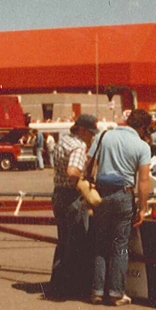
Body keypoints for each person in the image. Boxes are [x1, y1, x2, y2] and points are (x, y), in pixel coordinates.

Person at [84, 109, 153, 306]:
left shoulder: (104, 136)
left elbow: (89, 163)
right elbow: (144, 180)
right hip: (124, 194)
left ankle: (96, 291)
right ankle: (116, 293)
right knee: (119, 246)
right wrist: (142, 207)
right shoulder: (142, 146)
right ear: (142, 127)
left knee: (100, 244)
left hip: (101, 194)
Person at [49, 115, 97, 298]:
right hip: (72, 197)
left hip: (58, 193)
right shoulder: (78, 146)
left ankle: (57, 283)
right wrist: (83, 176)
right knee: (77, 242)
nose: (91, 137)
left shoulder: (63, 141)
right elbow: (72, 171)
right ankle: (72, 287)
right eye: (90, 133)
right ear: (82, 130)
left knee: (63, 241)